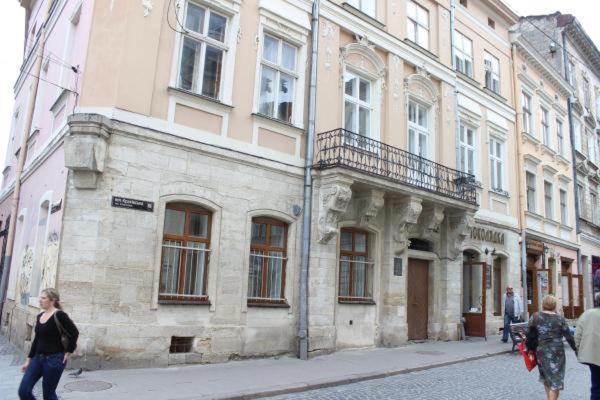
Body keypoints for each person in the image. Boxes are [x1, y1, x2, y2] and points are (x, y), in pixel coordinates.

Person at [18, 288, 79, 400]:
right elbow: (37, 340)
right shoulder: (39, 316)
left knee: (48, 394)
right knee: (23, 391)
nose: (40, 300)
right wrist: (29, 359)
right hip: (38, 358)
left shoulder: (60, 315)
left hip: (54, 360)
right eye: (40, 297)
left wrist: (69, 351)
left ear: (52, 300)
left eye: (43, 298)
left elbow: (74, 332)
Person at [528, 295, 577, 400]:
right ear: (554, 305)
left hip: (541, 351)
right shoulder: (559, 319)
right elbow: (569, 337)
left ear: (543, 304)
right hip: (556, 353)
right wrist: (576, 349)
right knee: (555, 381)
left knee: (547, 379)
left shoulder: (535, 316)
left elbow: (529, 333)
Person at [575, 293, 600, 400]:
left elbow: (577, 335)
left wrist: (578, 350)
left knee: (596, 385)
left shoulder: (587, 314)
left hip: (592, 356)